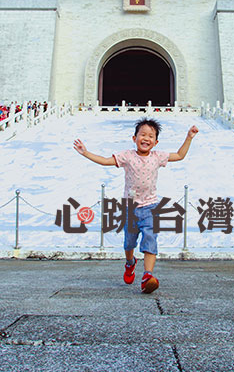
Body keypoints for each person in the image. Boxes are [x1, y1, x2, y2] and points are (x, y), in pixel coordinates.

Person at [74, 118, 199, 294]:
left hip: (151, 207)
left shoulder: (157, 157)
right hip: (130, 208)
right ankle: (130, 263)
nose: (146, 138)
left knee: (150, 239)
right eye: (142, 134)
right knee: (129, 243)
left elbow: (179, 155)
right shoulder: (127, 156)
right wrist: (85, 153)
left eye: (150, 136)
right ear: (134, 138)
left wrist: (189, 137)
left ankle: (148, 275)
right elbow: (104, 161)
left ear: (156, 142)